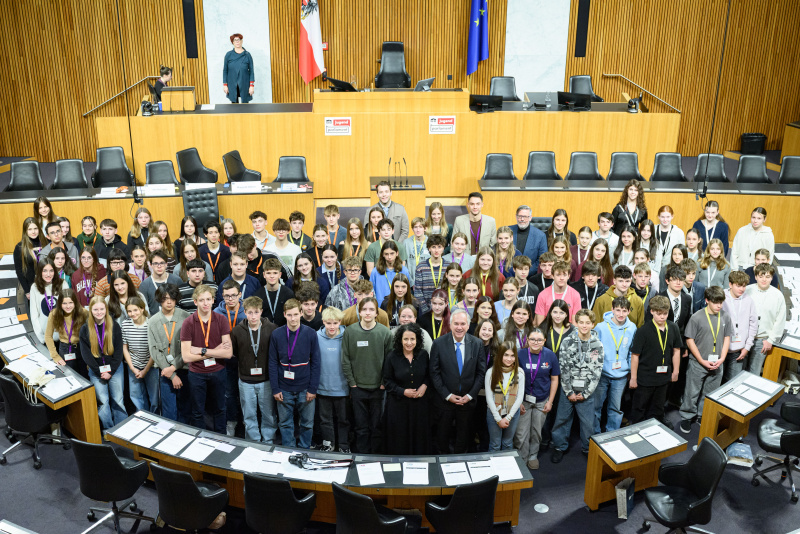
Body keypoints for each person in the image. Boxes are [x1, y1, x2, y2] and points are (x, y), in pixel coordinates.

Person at [429, 309, 487, 454]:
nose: (459, 327)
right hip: (444, 401)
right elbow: (434, 373)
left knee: (464, 438)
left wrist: (470, 395)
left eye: (463, 324)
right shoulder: (438, 343)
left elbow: (481, 373)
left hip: (467, 402)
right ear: (450, 324)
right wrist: (447, 395)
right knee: (442, 438)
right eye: (456, 324)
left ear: (468, 326)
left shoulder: (477, 344)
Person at [550, 309, 604, 463]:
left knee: (588, 423)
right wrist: (568, 391)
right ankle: (559, 446)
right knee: (562, 419)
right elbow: (563, 367)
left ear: (593, 324)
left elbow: (597, 371)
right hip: (568, 390)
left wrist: (586, 393)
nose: (584, 325)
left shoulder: (597, 345)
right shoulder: (567, 342)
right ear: (576, 323)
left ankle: (587, 448)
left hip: (587, 392)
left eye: (588, 323)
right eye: (581, 322)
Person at [341, 297, 393, 453]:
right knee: (360, 427)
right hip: (358, 388)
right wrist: (352, 383)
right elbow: (345, 359)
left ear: (377, 313)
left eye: (371, 309)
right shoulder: (350, 331)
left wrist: (384, 382)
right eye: (364, 309)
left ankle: (376, 456)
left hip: (379, 387)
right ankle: (362, 456)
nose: (368, 313)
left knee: (376, 426)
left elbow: (389, 361)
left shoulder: (385, 332)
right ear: (359, 311)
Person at [679, 286, 733, 433]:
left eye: (721, 302)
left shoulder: (725, 317)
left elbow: (727, 337)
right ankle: (687, 416)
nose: (719, 306)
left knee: (710, 392)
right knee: (692, 391)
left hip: (717, 362)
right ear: (707, 300)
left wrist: (722, 358)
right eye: (716, 302)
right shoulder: (697, 317)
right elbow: (690, 341)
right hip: (698, 363)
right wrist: (701, 360)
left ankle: (702, 415)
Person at [181, 285, 234, 433]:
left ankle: (222, 439)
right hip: (197, 373)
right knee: (198, 410)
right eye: (202, 300)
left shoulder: (221, 320)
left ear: (213, 301)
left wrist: (202, 351)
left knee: (220, 408)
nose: (205, 303)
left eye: (208, 299)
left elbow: (228, 353)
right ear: (195, 301)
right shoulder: (188, 323)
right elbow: (186, 356)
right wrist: (216, 351)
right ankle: (200, 441)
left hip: (218, 371)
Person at [269, 299, 321, 448]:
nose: (293, 318)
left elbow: (316, 362)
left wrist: (313, 388)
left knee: (307, 423)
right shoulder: (276, 334)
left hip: (305, 387)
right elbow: (272, 362)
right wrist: (275, 388)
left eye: (296, 314)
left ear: (301, 313)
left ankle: (305, 449)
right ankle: (288, 450)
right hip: (283, 387)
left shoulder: (310, 334)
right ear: (284, 314)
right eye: (289, 315)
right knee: (285, 423)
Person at [629, 295, 682, 426]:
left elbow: (676, 350)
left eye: (665, 313)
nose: (662, 317)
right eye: (659, 314)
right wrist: (633, 378)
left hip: (664, 376)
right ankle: (637, 427)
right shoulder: (643, 331)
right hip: (645, 377)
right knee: (640, 407)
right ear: (651, 311)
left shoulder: (673, 327)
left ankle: (657, 425)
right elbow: (635, 355)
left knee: (658, 406)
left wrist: (676, 371)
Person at [230, 296, 277, 443]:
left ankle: (268, 440)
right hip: (245, 380)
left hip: (266, 380)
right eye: (249, 313)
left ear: (261, 312)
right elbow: (235, 352)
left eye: (256, 312)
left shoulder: (272, 329)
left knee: (268, 414)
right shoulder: (237, 331)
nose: (253, 316)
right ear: (245, 312)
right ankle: (253, 442)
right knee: (249, 414)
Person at [513, 328, 559, 470]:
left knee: (536, 431)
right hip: (523, 400)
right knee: (521, 432)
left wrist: (550, 401)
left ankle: (533, 456)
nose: (535, 342)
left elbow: (554, 379)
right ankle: (522, 456)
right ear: (527, 340)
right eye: (532, 339)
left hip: (542, 400)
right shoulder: (520, 354)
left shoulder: (550, 355)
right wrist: (517, 401)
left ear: (544, 341)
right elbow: (513, 379)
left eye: (539, 340)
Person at [383, 323, 432, 455]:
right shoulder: (392, 356)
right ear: (400, 340)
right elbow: (387, 381)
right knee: (399, 439)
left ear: (418, 340)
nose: (409, 343)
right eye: (406, 339)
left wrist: (424, 385)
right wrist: (403, 391)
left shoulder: (423, 355)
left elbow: (429, 375)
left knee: (419, 437)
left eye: (412, 339)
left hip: (420, 405)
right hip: (398, 406)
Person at [80, 296, 126, 429]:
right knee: (103, 402)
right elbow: (86, 355)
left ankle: (121, 429)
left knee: (118, 400)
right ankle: (108, 430)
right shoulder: (85, 329)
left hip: (115, 368)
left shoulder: (114, 325)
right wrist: (99, 371)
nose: (99, 312)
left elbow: (118, 351)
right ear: (90, 310)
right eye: (95, 309)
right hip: (96, 370)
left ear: (106, 309)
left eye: (101, 309)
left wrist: (110, 370)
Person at [148, 284, 192, 423]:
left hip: (184, 369)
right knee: (169, 411)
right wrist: (172, 374)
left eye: (172, 298)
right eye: (165, 298)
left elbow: (189, 348)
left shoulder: (185, 317)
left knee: (186, 408)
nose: (169, 302)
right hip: (165, 372)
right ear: (159, 300)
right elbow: (154, 351)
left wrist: (174, 368)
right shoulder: (153, 321)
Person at [593, 296, 636, 433]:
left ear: (629, 311)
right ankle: (594, 435)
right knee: (596, 407)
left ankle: (612, 434)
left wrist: (629, 369)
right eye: (617, 310)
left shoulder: (632, 328)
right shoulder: (600, 327)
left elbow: (631, 351)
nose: (621, 314)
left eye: (624, 310)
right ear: (612, 310)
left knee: (615, 408)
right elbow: (594, 351)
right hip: (602, 374)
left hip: (621, 376)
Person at [316, 307, 350, 452]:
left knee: (343, 420)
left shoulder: (347, 336)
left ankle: (343, 445)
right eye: (328, 323)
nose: (331, 327)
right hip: (323, 387)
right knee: (325, 420)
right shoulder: (316, 337)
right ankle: (328, 444)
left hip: (342, 388)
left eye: (335, 323)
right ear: (323, 322)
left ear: (340, 322)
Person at [745, 263, 786, 376]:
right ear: (756, 276)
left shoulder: (778, 295)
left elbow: (780, 320)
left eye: (767, 276)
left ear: (772, 278)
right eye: (761, 276)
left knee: (754, 372)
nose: (764, 279)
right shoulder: (747, 290)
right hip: (745, 337)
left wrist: (771, 340)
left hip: (762, 340)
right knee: (739, 370)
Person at [484, 341, 525, 452]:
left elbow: (519, 397)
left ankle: (506, 468)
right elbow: (489, 398)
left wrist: (508, 417)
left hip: (512, 413)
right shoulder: (491, 372)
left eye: (512, 356)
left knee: (507, 443)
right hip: (494, 413)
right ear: (500, 355)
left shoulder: (519, 373)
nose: (509, 359)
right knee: (495, 444)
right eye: (506, 355)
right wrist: (498, 419)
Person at [121, 297, 158, 413]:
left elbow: (154, 350)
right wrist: (132, 368)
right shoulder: (125, 324)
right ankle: (143, 419)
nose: (132, 314)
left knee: (155, 398)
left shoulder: (151, 324)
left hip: (151, 366)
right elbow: (125, 348)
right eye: (129, 311)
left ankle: (155, 419)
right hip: (133, 366)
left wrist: (145, 370)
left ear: (142, 309)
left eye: (135, 310)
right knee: (136, 396)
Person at [722, 271, 758, 382]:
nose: (742, 289)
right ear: (730, 284)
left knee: (733, 382)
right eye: (738, 285)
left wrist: (747, 347)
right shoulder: (721, 297)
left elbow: (753, 324)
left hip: (738, 351)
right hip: (720, 349)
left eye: (744, 286)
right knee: (716, 382)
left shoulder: (748, 300)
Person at [45, 288, 89, 379]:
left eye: (70, 303)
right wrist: (55, 356)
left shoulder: (83, 312)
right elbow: (48, 336)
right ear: (60, 303)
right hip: (65, 349)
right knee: (71, 377)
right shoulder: (54, 314)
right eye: (64, 303)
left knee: (85, 377)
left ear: (75, 303)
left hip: (82, 347)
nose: (68, 306)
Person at [31, 259, 68, 344]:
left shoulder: (63, 284)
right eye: (45, 271)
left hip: (62, 337)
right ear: (40, 272)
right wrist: (42, 338)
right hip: (44, 337)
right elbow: (34, 315)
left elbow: (67, 311)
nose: (48, 274)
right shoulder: (35, 287)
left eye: (51, 271)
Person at [534, 260, 581, 325]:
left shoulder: (575, 295)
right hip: (548, 332)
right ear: (552, 276)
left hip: (568, 333)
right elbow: (540, 323)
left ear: (568, 276)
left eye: (564, 275)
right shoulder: (543, 295)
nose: (561, 278)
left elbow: (575, 324)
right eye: (558, 275)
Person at [413, 234, 450, 314]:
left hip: (444, 310)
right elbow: (418, 292)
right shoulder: (421, 267)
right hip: (425, 311)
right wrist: (427, 310)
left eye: (439, 247)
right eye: (433, 247)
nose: (436, 250)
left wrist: (443, 308)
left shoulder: (448, 266)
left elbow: (450, 289)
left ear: (443, 248)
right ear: (429, 248)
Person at [140, 251, 182, 315]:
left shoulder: (176, 280)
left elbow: (181, 302)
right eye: (156, 263)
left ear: (166, 264)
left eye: (162, 263)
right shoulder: (144, 285)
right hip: (153, 321)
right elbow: (144, 308)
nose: (159, 266)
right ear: (151, 265)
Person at [369, 241, 410, 305]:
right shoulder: (375, 272)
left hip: (400, 308)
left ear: (397, 253)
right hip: (380, 308)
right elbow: (371, 292)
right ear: (383, 254)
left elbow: (408, 292)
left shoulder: (404, 270)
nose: (389, 257)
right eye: (386, 254)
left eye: (392, 253)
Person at [510, 205, 548, 273]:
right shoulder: (508, 231)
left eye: (525, 217)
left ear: (530, 218)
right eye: (520, 216)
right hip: (509, 275)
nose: (522, 219)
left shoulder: (540, 236)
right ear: (516, 217)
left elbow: (542, 260)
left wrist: (525, 272)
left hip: (530, 276)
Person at [14, 217, 42, 302]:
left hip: (47, 282)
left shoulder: (45, 243)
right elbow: (19, 270)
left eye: (35, 228)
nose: (33, 232)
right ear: (25, 231)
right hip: (32, 285)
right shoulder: (20, 247)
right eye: (30, 229)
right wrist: (27, 291)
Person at [223, 33, 255, 103]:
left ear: (242, 41)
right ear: (232, 42)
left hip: (245, 83)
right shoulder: (228, 55)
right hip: (232, 84)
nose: (237, 41)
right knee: (234, 107)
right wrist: (225, 85)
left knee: (245, 106)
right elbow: (225, 70)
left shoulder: (247, 55)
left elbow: (251, 71)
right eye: (235, 40)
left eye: (239, 39)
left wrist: (251, 85)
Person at [403, 217, 429, 286]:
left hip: (426, 282)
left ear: (425, 228)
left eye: (420, 227)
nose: (418, 230)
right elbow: (404, 264)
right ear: (412, 229)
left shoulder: (430, 242)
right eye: (415, 227)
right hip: (410, 282)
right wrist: (411, 283)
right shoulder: (406, 243)